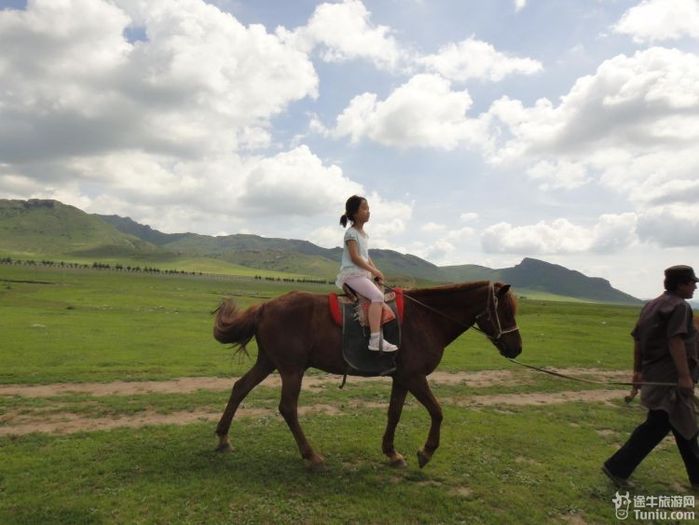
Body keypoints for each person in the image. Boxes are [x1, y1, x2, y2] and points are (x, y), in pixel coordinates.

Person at [603, 265, 699, 489]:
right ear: (681, 284)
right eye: (692, 282)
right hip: (670, 379)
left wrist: (637, 371)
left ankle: (697, 477)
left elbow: (638, 339)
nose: (695, 286)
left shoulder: (651, 305)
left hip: (656, 374)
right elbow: (675, 341)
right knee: (658, 425)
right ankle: (616, 467)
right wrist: (685, 376)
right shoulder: (680, 307)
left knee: (683, 424)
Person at [336, 195, 398, 352]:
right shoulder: (351, 233)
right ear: (355, 213)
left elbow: (366, 256)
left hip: (362, 274)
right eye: (364, 209)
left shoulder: (363, 234)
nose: (368, 212)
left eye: (368, 208)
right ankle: (375, 340)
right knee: (377, 297)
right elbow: (355, 257)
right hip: (352, 274)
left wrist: (376, 270)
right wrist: (373, 270)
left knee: (378, 294)